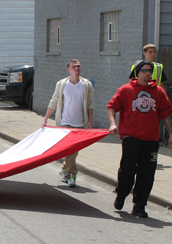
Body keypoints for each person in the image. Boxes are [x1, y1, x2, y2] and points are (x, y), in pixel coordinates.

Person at [108, 60, 172, 218]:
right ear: (138, 72)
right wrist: (112, 124)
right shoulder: (126, 90)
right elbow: (112, 107)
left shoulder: (158, 92)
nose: (148, 73)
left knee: (147, 174)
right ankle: (122, 193)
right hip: (131, 138)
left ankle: (139, 205)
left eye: (150, 70)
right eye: (144, 70)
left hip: (150, 140)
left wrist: (171, 133)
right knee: (127, 170)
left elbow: (165, 114)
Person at [41, 59, 94, 188]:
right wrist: (46, 118)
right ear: (68, 69)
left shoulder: (86, 84)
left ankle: (64, 168)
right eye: (74, 66)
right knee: (70, 149)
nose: (77, 68)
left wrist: (90, 122)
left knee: (74, 151)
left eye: (79, 66)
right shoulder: (62, 84)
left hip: (80, 122)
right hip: (65, 121)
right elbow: (54, 100)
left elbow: (90, 103)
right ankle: (71, 174)